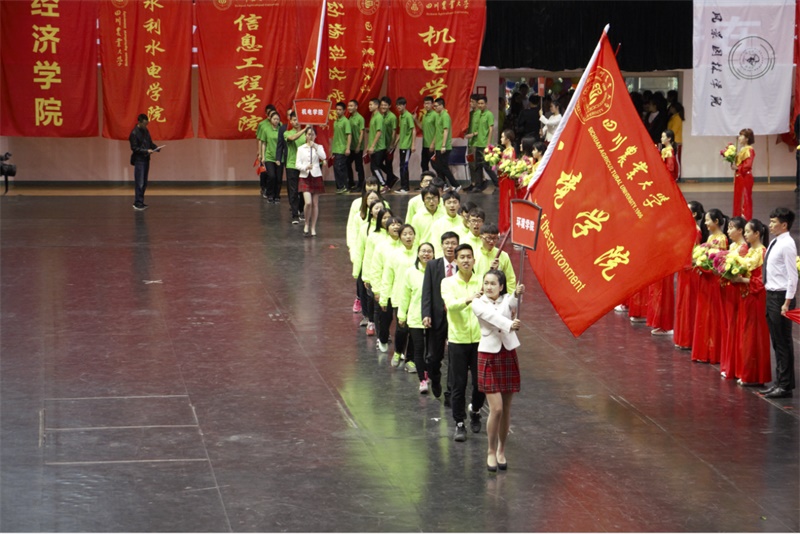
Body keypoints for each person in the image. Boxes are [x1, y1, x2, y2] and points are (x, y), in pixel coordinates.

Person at [472, 269, 525, 472]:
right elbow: (493, 317)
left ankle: (502, 450)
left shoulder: (505, 300)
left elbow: (509, 305)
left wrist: (516, 294)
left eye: (493, 283)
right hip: (488, 356)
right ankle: (491, 451)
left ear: (501, 286)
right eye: (486, 283)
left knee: (507, 409)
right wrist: (510, 324)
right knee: (497, 409)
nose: (488, 287)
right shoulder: (478, 303)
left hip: (507, 354)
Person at [441, 243, 486, 442]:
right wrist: (469, 299)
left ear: (474, 260)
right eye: (462, 257)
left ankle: (475, 411)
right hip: (458, 340)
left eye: (469, 257)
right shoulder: (447, 283)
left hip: (480, 340)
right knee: (459, 384)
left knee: (480, 384)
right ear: (456, 261)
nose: (466, 260)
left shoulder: (482, 282)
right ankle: (459, 423)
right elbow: (450, 305)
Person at [760, 208, 798, 399]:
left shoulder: (788, 244)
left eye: (774, 222)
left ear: (784, 224)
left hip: (781, 297)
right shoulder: (776, 241)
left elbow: (793, 276)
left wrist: (787, 302)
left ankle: (785, 386)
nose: (770, 225)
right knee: (777, 341)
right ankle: (781, 382)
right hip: (772, 295)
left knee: (783, 342)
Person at [732, 219, 772, 386]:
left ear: (757, 234)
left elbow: (761, 280)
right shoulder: (749, 251)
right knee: (745, 332)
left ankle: (754, 375)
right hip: (746, 296)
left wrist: (741, 279)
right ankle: (746, 371)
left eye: (748, 232)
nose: (746, 234)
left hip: (756, 297)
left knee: (754, 334)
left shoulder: (762, 252)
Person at [422, 231, 460, 405]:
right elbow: (427, 292)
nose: (450, 246)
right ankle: (435, 379)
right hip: (437, 317)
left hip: (457, 318)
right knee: (434, 357)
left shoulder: (463, 266)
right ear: (442, 245)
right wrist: (426, 314)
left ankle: (450, 392)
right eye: (447, 243)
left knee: (455, 358)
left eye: (453, 243)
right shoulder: (432, 265)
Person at [397, 242, 436, 393]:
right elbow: (405, 295)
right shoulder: (410, 273)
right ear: (418, 253)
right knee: (419, 350)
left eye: (429, 251)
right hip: (415, 318)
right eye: (423, 251)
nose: (426, 254)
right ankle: (422, 379)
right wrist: (402, 315)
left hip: (434, 318)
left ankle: (429, 373)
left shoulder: (437, 272)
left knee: (432, 352)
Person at [691, 208, 728, 364]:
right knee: (704, 313)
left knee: (712, 314)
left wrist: (704, 266)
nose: (705, 223)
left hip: (713, 280)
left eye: (708, 220)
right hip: (705, 278)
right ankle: (704, 349)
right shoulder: (711, 236)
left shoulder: (722, 239)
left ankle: (713, 351)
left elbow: (719, 261)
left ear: (716, 222)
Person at [380, 223, 417, 369]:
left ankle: (411, 359)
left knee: (415, 329)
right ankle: (398, 351)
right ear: (400, 237)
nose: (408, 237)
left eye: (410, 233)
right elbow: (387, 278)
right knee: (402, 327)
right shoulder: (394, 255)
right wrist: (384, 298)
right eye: (405, 234)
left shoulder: (420, 254)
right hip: (399, 297)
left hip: (416, 298)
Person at [674, 201, 704, 349]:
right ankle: (682, 338)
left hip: (690, 271)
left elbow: (694, 254)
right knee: (682, 304)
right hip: (684, 270)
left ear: (693, 214)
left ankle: (688, 338)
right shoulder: (687, 228)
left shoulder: (695, 231)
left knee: (688, 304)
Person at [719, 216, 747, 378]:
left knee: (735, 326)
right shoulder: (732, 245)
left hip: (736, 291)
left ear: (740, 230)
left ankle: (735, 365)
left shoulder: (743, 248)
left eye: (731, 228)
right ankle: (729, 363)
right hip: (728, 289)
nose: (728, 231)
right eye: (728, 228)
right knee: (728, 325)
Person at [296, 127, 327, 237]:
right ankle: (306, 224)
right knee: (308, 202)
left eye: (312, 134)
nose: (310, 136)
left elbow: (324, 157)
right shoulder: (300, 148)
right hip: (305, 177)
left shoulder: (319, 147)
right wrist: (305, 167)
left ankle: (313, 227)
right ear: (305, 135)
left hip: (316, 176)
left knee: (315, 203)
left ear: (315, 136)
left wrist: (315, 146)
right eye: (308, 134)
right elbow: (297, 164)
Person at [473, 223, 517, 294]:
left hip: (497, 298)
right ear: (481, 237)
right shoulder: (474, 255)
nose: (491, 241)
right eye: (488, 238)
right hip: (478, 296)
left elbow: (510, 279)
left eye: (495, 238)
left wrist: (510, 297)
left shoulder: (503, 256)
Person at [129, 113, 160, 210]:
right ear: (139, 122)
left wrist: (156, 148)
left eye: (147, 124)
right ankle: (137, 203)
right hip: (139, 160)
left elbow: (149, 143)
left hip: (146, 158)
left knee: (144, 182)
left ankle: (140, 201)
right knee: (140, 182)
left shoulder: (146, 131)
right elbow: (134, 148)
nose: (146, 126)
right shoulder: (134, 133)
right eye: (144, 124)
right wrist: (146, 151)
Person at [471, 95, 498, 192]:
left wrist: (488, 144)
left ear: (486, 104)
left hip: (485, 145)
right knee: (477, 166)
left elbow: (490, 130)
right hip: (478, 144)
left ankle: (497, 184)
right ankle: (479, 186)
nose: (480, 105)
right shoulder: (478, 114)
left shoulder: (489, 114)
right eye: (479, 103)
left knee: (487, 167)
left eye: (482, 103)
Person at [431, 98, 460, 190]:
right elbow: (437, 132)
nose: (434, 108)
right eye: (434, 106)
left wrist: (443, 145)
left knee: (444, 167)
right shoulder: (438, 116)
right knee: (439, 167)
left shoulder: (445, 116)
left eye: (436, 106)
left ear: (441, 105)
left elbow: (445, 131)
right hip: (438, 146)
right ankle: (443, 185)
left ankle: (456, 185)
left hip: (445, 147)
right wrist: (433, 143)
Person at [284, 112, 307, 223]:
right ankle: (294, 215)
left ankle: (301, 210)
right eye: (294, 120)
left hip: (303, 166)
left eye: (298, 119)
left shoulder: (307, 134)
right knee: (293, 191)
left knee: (303, 191)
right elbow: (292, 138)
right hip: (292, 165)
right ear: (290, 121)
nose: (296, 122)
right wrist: (305, 129)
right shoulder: (287, 133)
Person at [428, 190, 463, 257]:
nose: (452, 205)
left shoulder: (463, 222)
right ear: (444, 205)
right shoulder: (437, 224)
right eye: (449, 203)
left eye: (455, 202)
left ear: (459, 205)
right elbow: (436, 246)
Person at [393, 97, 415, 194]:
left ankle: (405, 187)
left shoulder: (408, 116)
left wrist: (413, 144)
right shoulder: (400, 116)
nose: (398, 107)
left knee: (404, 166)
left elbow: (413, 130)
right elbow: (401, 132)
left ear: (405, 105)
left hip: (407, 146)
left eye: (400, 105)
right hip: (402, 145)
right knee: (402, 166)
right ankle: (403, 186)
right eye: (397, 105)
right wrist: (396, 142)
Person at [732, 128, 755, 220]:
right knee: (739, 198)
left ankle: (745, 218)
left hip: (745, 177)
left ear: (747, 138)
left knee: (745, 198)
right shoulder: (743, 149)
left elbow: (748, 165)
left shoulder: (749, 150)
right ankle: (738, 217)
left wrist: (738, 168)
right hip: (740, 177)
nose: (739, 138)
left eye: (742, 136)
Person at [497, 129, 517, 234]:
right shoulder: (505, 151)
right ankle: (504, 224)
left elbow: (509, 166)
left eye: (502, 137)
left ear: (507, 139)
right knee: (503, 200)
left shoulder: (510, 151)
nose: (501, 139)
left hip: (507, 179)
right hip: (502, 178)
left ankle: (507, 225)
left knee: (506, 200)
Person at [365, 98, 387, 189]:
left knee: (374, 167)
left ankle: (383, 184)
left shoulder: (378, 117)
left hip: (379, 147)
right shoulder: (373, 117)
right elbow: (372, 133)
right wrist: (368, 146)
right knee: (373, 167)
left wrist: (373, 146)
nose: (369, 106)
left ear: (377, 106)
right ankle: (378, 185)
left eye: (371, 105)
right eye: (369, 105)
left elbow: (378, 132)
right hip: (374, 147)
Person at [331, 102, 352, 195]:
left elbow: (349, 135)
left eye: (340, 110)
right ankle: (340, 187)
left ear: (344, 111)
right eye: (337, 109)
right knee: (337, 168)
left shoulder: (345, 121)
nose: (338, 111)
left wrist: (347, 148)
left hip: (342, 149)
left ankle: (344, 187)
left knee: (339, 168)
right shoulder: (336, 122)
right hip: (336, 149)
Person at [256, 104, 276, 198]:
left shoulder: (278, 124)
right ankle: (263, 187)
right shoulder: (262, 124)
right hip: (265, 152)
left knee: (272, 174)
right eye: (268, 113)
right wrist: (260, 153)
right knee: (264, 172)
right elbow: (260, 139)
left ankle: (270, 190)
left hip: (274, 152)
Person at [346, 100, 366, 192]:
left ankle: (361, 185)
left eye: (351, 106)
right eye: (348, 106)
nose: (349, 107)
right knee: (347, 164)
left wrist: (358, 145)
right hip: (351, 146)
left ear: (356, 107)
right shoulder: (349, 118)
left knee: (358, 166)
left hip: (358, 147)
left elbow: (362, 132)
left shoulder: (360, 118)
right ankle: (351, 182)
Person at [380, 96, 399, 190]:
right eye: (382, 105)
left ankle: (388, 183)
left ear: (389, 106)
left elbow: (394, 131)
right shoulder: (381, 116)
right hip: (382, 144)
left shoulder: (392, 117)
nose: (383, 106)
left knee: (388, 163)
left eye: (385, 105)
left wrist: (392, 144)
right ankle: (392, 177)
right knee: (378, 162)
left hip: (389, 145)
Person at [415, 96, 437, 176]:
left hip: (432, 146)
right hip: (425, 145)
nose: (426, 105)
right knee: (424, 164)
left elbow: (438, 131)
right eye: (425, 103)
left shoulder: (435, 115)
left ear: (432, 104)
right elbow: (422, 128)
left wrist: (433, 144)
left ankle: (442, 183)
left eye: (428, 103)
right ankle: (426, 183)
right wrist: (416, 119)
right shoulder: (425, 115)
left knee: (436, 165)